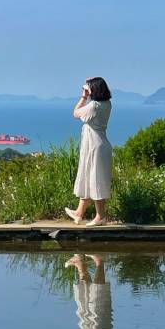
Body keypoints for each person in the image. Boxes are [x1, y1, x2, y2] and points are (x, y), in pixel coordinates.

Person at [64, 76, 112, 227]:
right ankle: (79, 212)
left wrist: (83, 96)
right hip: (97, 145)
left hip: (94, 147)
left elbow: (75, 113)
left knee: (95, 179)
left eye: (89, 87)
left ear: (93, 90)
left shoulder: (94, 106)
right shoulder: (107, 104)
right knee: (88, 176)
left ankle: (100, 217)